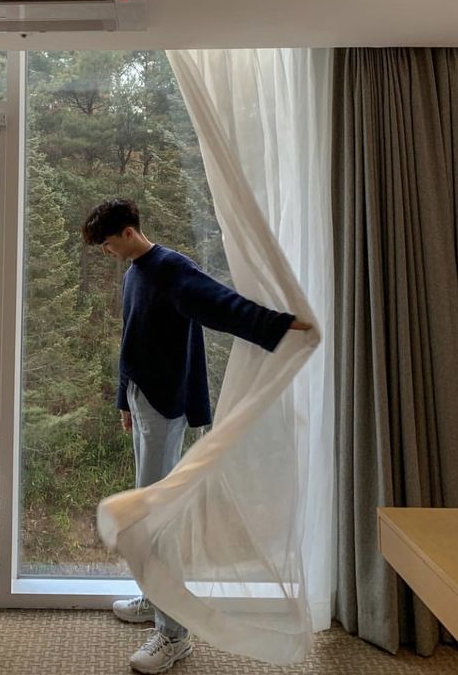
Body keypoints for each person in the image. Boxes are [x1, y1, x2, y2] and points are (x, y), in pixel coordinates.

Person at [82, 198, 311, 674]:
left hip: (166, 407)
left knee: (153, 518)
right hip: (145, 401)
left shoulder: (169, 268)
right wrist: (126, 399)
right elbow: (132, 338)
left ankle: (174, 632)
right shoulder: (133, 272)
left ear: (127, 233)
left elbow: (219, 305)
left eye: (106, 243)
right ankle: (156, 597)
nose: (106, 252)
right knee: (148, 508)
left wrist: (278, 325)